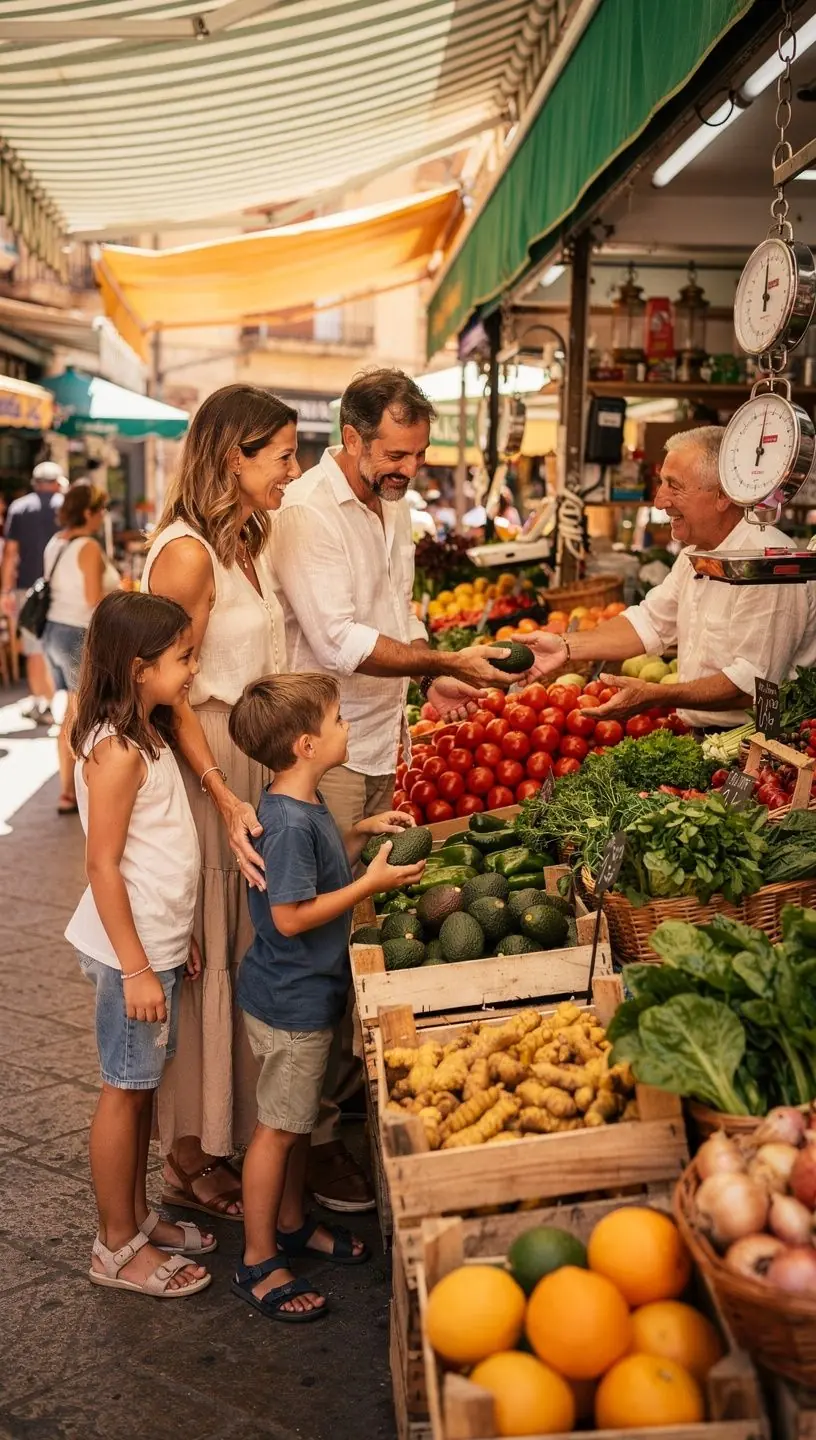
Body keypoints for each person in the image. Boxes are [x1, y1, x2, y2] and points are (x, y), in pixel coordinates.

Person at [273, 367, 511, 1210]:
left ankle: (343, 1110)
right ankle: (315, 1137)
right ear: (353, 438)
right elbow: (337, 640)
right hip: (325, 751)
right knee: (325, 943)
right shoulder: (307, 513)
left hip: (377, 737)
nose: (408, 467)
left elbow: (396, 610)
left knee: (366, 928)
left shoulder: (394, 502)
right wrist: (443, 658)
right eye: (395, 453)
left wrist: (429, 679)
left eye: (416, 453)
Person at [140, 384, 298, 1220]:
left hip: (246, 766)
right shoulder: (188, 554)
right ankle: (186, 1158)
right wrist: (219, 793)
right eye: (280, 455)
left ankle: (213, 1137)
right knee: (206, 950)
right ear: (233, 456)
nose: (291, 469)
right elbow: (166, 692)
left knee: (236, 948)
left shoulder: (243, 542)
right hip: (206, 771)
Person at [227, 672, 425, 1320]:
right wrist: (372, 882)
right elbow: (289, 914)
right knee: (277, 1133)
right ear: (308, 744)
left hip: (299, 993)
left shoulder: (298, 803)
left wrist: (361, 832)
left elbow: (315, 872)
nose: (348, 727)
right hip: (292, 1001)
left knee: (294, 1122)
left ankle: (290, 1223)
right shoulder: (286, 822)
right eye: (339, 720)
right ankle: (259, 1258)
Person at [65, 590, 214, 1299]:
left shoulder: (144, 732)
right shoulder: (117, 752)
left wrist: (173, 936)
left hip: (152, 943)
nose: (192, 668)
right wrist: (135, 966)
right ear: (136, 668)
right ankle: (113, 1244)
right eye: (182, 658)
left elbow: (155, 855)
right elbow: (102, 865)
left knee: (142, 1086)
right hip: (131, 955)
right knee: (124, 1092)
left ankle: (134, 1215)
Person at [523, 426, 816, 729]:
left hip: (752, 745)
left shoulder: (768, 564)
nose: (659, 501)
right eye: (661, 483)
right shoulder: (697, 555)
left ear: (722, 495)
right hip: (702, 735)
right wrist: (564, 646)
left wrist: (656, 695)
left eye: (674, 486)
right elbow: (648, 622)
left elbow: (750, 686)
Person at [42, 480, 120, 815]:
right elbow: (92, 599)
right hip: (79, 633)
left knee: (72, 712)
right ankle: (73, 790)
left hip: (54, 630)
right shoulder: (87, 546)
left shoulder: (55, 543)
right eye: (100, 509)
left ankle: (69, 788)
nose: (103, 515)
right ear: (88, 512)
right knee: (77, 716)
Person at [0, 460, 67, 722]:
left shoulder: (19, 507)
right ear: (57, 481)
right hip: (61, 585)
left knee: (34, 647)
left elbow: (10, 554)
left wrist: (5, 591)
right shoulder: (66, 506)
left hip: (27, 588)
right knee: (55, 644)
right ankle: (47, 701)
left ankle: (44, 702)